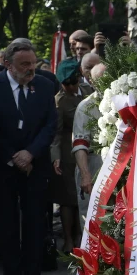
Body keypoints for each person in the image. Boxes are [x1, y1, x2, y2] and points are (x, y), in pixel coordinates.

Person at [0, 38, 57, 275]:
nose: (31, 68)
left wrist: (30, 153)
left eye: (32, 62)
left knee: (35, 222)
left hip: (35, 165)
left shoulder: (44, 85)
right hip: (3, 167)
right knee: (7, 223)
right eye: (24, 64)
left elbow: (50, 125)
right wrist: (13, 156)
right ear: (8, 64)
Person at [49, 59, 85, 252]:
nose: (70, 87)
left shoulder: (88, 91)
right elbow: (56, 133)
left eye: (73, 82)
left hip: (87, 149)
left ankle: (81, 236)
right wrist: (56, 157)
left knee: (82, 196)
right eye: (66, 84)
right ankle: (69, 239)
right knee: (68, 198)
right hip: (67, 153)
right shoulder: (60, 100)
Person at [71, 64, 106, 221]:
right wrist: (85, 175)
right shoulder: (85, 107)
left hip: (118, 166)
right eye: (102, 80)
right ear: (92, 82)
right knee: (93, 218)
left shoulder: (122, 101)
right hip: (93, 164)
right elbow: (80, 144)